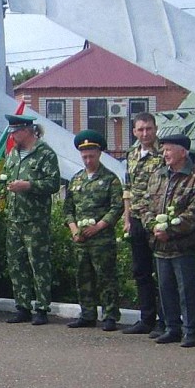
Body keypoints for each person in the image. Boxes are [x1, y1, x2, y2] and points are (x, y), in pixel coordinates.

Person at [138, 134, 195, 348]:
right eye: (164, 150)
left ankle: (190, 330)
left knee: (186, 290)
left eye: (169, 149)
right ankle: (172, 328)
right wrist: (153, 226)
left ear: (183, 151)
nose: (165, 154)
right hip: (160, 245)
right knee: (165, 289)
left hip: (183, 245)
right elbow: (144, 205)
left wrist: (170, 230)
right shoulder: (158, 175)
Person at [2, 114, 61, 326]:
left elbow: (54, 183)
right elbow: (7, 179)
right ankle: (23, 306)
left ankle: (42, 308)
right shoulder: (13, 154)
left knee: (39, 264)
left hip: (35, 220)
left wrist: (29, 186)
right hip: (15, 218)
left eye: (15, 132)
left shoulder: (45, 153)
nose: (13, 136)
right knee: (16, 264)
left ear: (27, 130)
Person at [63, 131, 124, 331]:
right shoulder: (76, 179)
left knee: (106, 277)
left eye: (91, 156)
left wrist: (98, 226)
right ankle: (87, 313)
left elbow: (117, 207)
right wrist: (73, 229)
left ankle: (109, 315)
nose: (88, 160)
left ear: (99, 154)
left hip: (102, 239)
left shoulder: (110, 179)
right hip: (80, 240)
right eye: (84, 156)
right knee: (83, 276)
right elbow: (68, 209)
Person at [121, 112, 165, 336]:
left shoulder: (164, 152)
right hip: (137, 219)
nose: (145, 133)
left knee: (163, 272)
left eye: (148, 129)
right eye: (140, 130)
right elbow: (127, 188)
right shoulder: (131, 154)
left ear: (155, 129)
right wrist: (127, 217)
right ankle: (146, 318)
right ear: (134, 132)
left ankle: (165, 320)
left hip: (158, 219)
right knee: (141, 271)